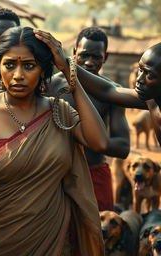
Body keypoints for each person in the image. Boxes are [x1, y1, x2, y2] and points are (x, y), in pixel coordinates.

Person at [0, 26, 108, 256]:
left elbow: (99, 143)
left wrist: (68, 70)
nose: (18, 74)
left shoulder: (59, 112)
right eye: (10, 64)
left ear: (43, 69)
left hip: (51, 239)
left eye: (29, 65)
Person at [48, 27, 130, 211]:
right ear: (74, 52)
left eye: (96, 57)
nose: (89, 62)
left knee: (100, 234)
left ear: (105, 57)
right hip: (54, 174)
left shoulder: (113, 92)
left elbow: (123, 147)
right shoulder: (51, 86)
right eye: (84, 55)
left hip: (94, 174)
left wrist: (89, 138)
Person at [74, 43, 161, 146]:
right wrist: (67, 64)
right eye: (140, 70)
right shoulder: (152, 101)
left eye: (150, 75)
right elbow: (108, 91)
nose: (138, 79)